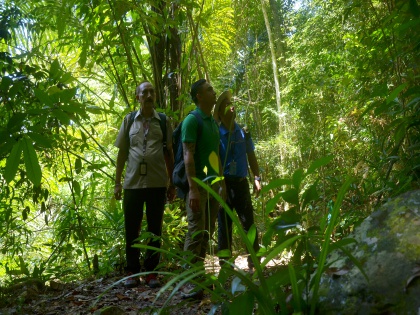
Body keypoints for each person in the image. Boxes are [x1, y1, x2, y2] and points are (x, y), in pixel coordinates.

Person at [114, 81, 175, 288]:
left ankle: (151, 273)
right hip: (132, 183)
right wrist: (117, 183)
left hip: (157, 183)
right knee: (132, 228)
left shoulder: (164, 121)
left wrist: (172, 182)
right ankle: (132, 271)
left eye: (151, 92)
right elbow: (122, 152)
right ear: (137, 97)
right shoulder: (129, 120)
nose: (149, 95)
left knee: (155, 227)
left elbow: (169, 153)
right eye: (144, 92)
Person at [181, 79, 226, 299]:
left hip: (212, 186)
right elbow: (187, 155)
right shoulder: (192, 120)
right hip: (198, 186)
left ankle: (199, 281)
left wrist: (220, 183)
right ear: (199, 96)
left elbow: (215, 154)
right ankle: (189, 283)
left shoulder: (212, 123)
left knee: (206, 233)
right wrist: (193, 189)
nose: (213, 91)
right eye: (209, 89)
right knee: (195, 232)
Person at [213, 90, 261, 272]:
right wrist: (219, 184)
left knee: (248, 222)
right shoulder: (216, 133)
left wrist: (256, 177)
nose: (231, 106)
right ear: (220, 111)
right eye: (226, 104)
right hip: (224, 184)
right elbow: (214, 159)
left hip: (241, 183)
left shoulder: (243, 132)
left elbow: (251, 155)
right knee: (224, 224)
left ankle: (254, 260)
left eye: (231, 103)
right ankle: (225, 266)